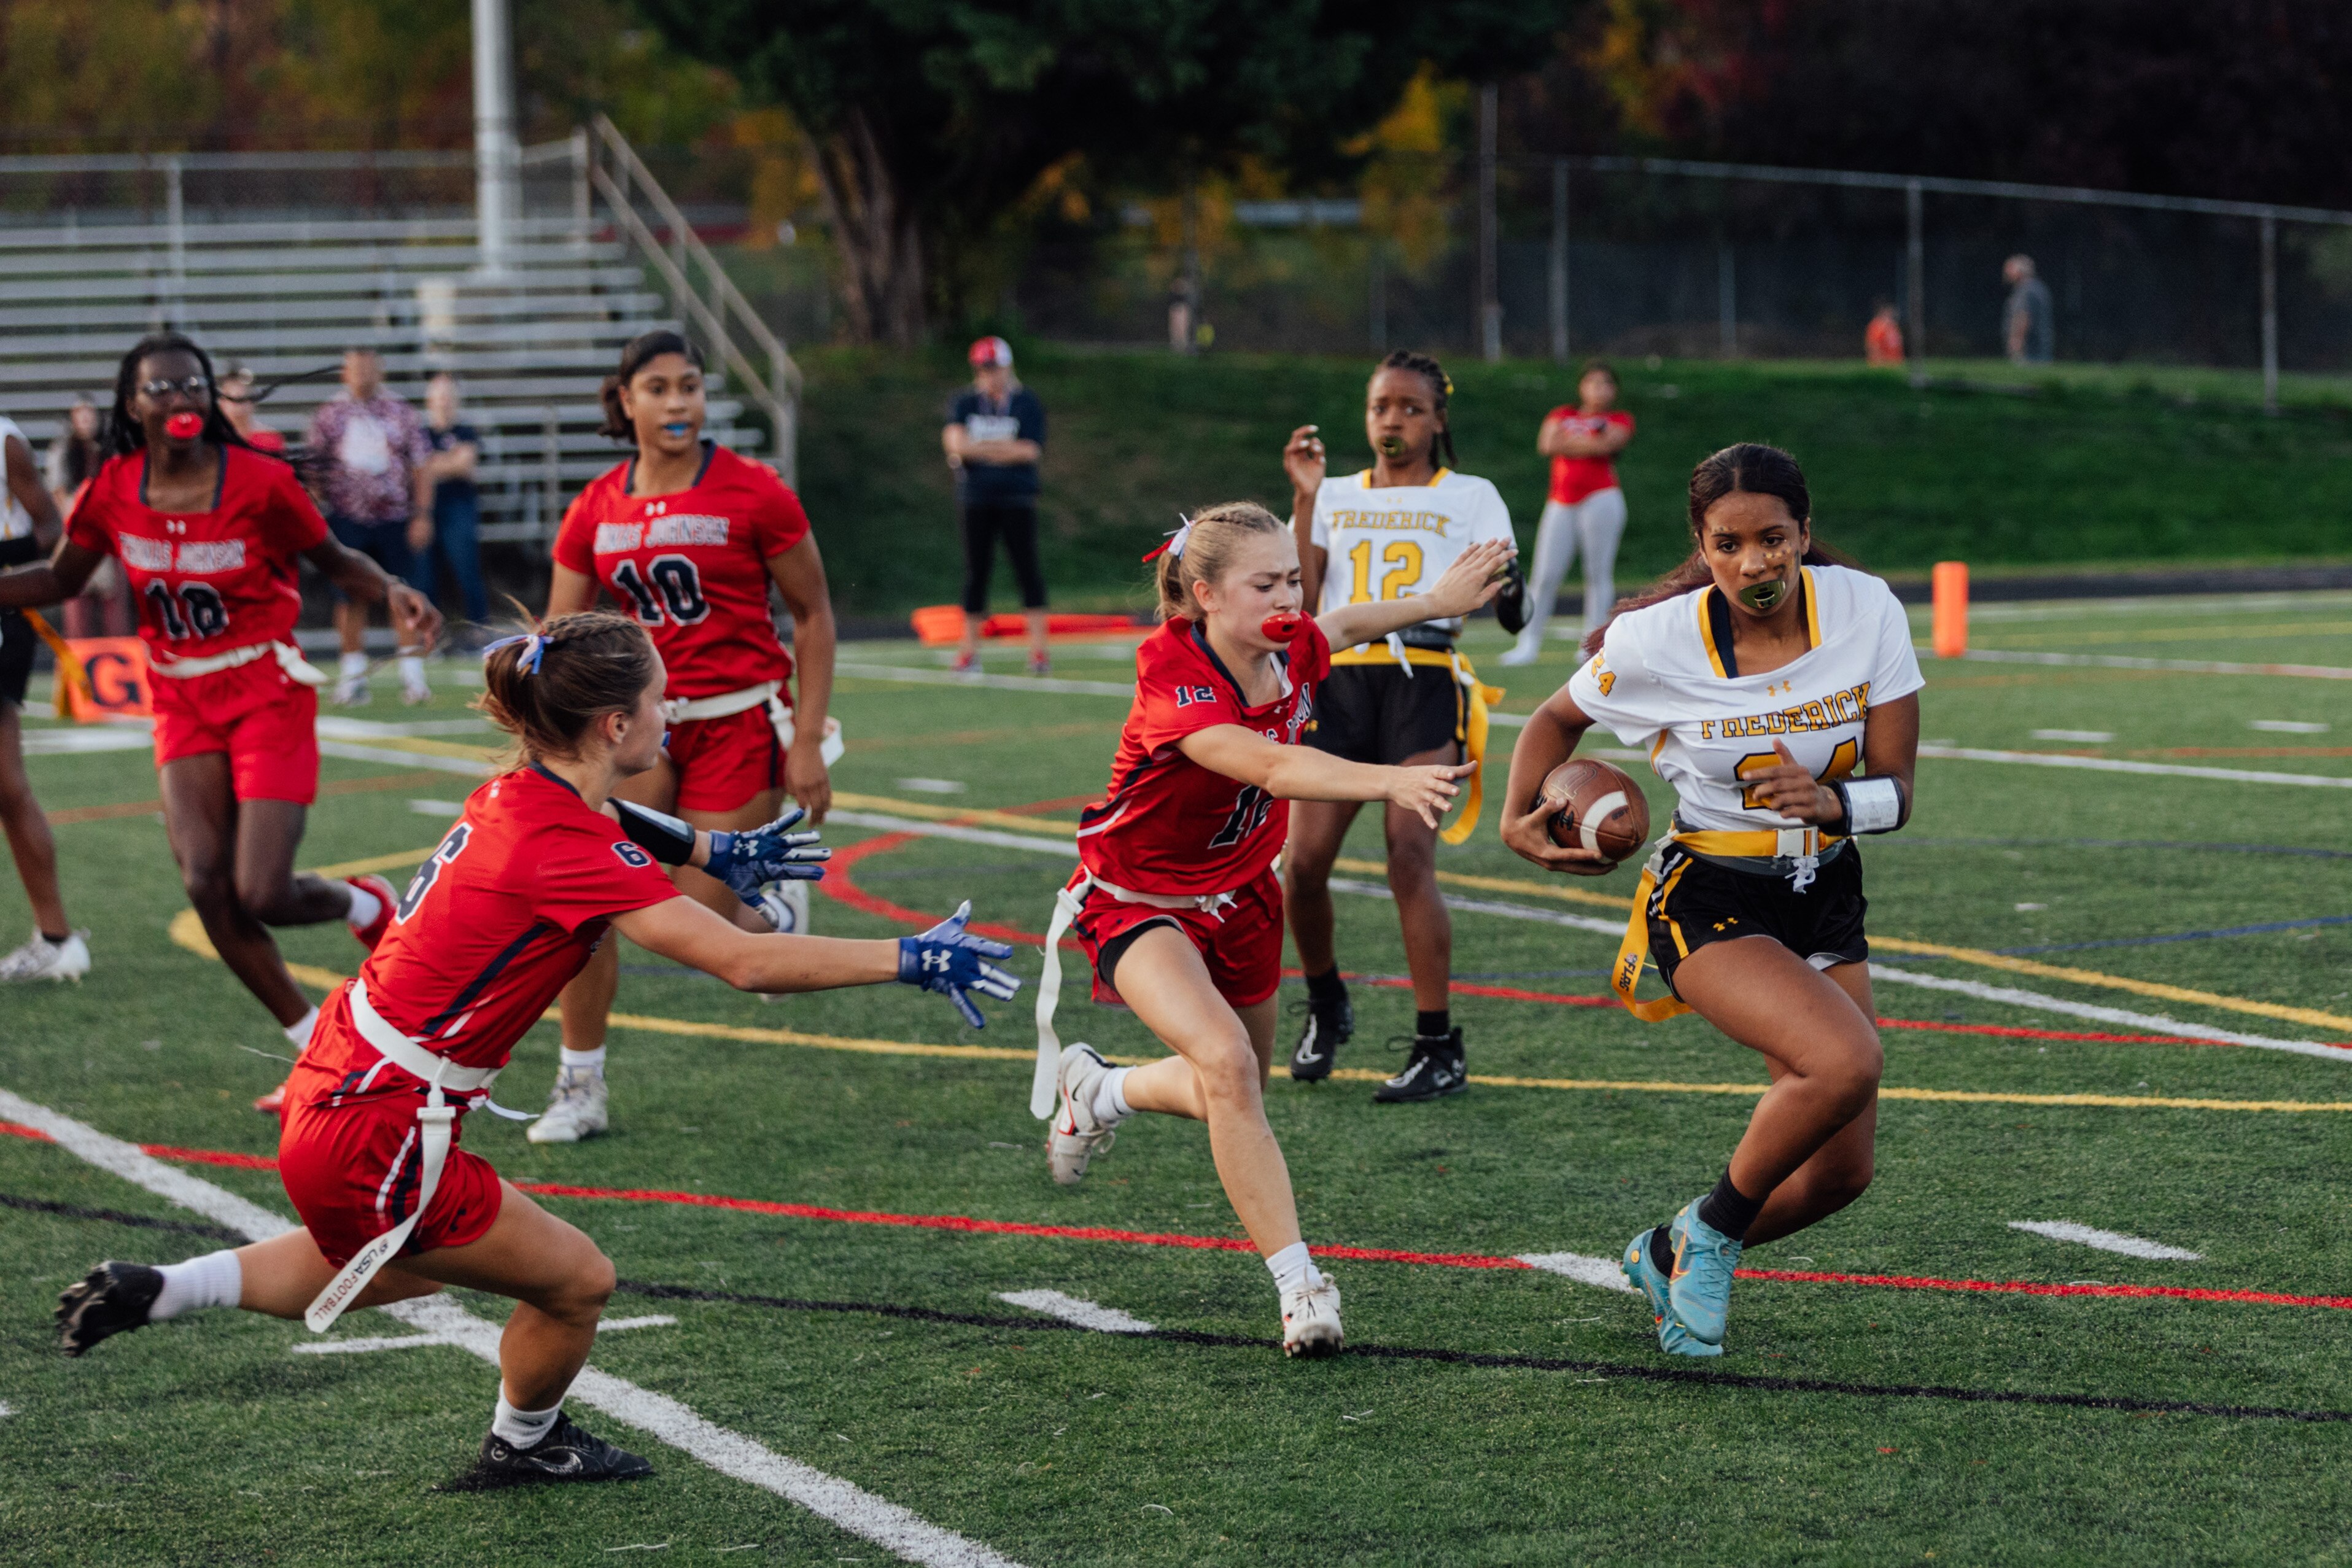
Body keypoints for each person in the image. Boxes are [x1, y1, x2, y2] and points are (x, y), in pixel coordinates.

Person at [52, 611, 1019, 1488]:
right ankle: (525, 1440)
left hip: (345, 1084)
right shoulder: (568, 847)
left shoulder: (516, 790)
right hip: (384, 1120)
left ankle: (167, 1287)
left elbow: (609, 817)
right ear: (612, 726)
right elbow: (742, 960)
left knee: (400, 1259)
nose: (668, 712)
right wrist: (908, 954)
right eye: (655, 699)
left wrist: (710, 850)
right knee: (576, 1280)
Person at [1035, 503, 1512, 1356]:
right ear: (1204, 594)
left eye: (1291, 576)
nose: (1288, 596)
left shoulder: (1289, 643)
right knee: (1224, 1063)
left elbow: (1343, 622)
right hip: (1139, 901)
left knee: (1237, 1079)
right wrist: (1386, 781)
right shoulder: (1170, 671)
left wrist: (1433, 598)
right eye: (1265, 583)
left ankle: (1099, 1090)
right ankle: (1301, 1286)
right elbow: (1267, 762)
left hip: (1243, 894)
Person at [1498, 442, 1921, 1358]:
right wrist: (1513, 818)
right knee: (1845, 1061)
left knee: (1840, 1174)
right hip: (1709, 891)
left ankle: (1666, 1248)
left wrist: (1832, 801)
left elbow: (1896, 793)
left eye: (1773, 539)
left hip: (1826, 887)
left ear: (1803, 535)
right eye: (1728, 544)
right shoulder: (1655, 639)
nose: (1753, 563)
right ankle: (1713, 1234)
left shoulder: (1866, 609)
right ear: (1702, 541)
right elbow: (1553, 718)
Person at [0, 333, 442, 1111]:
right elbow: (58, 577)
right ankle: (314, 1044)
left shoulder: (262, 482)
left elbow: (337, 562)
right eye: (162, 389)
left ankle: (364, 904)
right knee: (207, 883)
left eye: (193, 386)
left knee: (263, 890)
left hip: (265, 688)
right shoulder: (112, 485)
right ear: (132, 406)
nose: (181, 400)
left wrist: (397, 590)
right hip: (179, 697)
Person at [534, 330, 839, 1144]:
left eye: (691, 387)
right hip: (636, 730)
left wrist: (805, 737)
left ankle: (768, 911)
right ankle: (580, 1082)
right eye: (659, 389)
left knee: (689, 925)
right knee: (591, 907)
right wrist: (552, 739)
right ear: (625, 399)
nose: (678, 404)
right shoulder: (596, 505)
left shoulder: (754, 490)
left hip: (738, 721)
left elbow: (812, 613)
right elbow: (555, 636)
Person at [1276, 349, 1524, 1101]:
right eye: (1381, 405)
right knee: (1303, 865)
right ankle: (1326, 1002)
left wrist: (1512, 592)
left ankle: (1436, 1041)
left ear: (1438, 419)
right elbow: (1304, 604)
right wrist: (1307, 500)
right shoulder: (1336, 492)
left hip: (1423, 681)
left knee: (1408, 854)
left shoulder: (1472, 494)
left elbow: (1508, 596)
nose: (1393, 419)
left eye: (1411, 408)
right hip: (1340, 681)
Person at [0, 411, 87, 982]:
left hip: (3, 613)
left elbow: (53, 532)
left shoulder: (4, 439)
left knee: (7, 784)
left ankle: (57, 937)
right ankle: (57, 939)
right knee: (7, 787)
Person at [305, 347, 435, 706]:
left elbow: (422, 465)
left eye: (369, 367)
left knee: (403, 594)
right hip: (347, 517)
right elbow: (314, 467)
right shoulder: (330, 413)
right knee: (349, 598)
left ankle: (413, 677)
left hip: (393, 516)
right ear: (345, 373)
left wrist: (422, 513)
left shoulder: (401, 410)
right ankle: (353, 677)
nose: (363, 374)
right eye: (356, 368)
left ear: (380, 370)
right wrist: (318, 512)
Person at [1500, 359, 1634, 667]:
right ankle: (1528, 643)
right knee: (1545, 575)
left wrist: (1573, 443)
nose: (1599, 389)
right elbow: (1547, 443)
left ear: (1614, 390)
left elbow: (1606, 446)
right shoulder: (1562, 413)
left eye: (1606, 383)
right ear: (1581, 387)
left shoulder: (1620, 418)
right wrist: (1588, 442)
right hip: (1560, 501)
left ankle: (1591, 646)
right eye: (1593, 382)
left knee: (1597, 574)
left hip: (1601, 499)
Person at [941, 336, 1049, 677]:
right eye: (983, 369)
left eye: (995, 367)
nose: (989, 375)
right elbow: (956, 448)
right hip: (975, 499)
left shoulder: (1026, 402)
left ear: (1007, 367)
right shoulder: (964, 402)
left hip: (1017, 498)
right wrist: (1004, 450)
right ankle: (969, 652)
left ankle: (1039, 653)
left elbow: (1030, 451)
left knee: (1027, 570)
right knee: (976, 573)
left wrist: (980, 449)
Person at [411, 372, 490, 645]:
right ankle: (430, 632)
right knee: (424, 572)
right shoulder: (420, 433)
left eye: (448, 395)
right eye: (439, 395)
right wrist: (448, 464)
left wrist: (431, 466)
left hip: (459, 507)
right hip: (426, 508)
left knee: (465, 565)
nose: (444, 401)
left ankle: (479, 627)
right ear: (429, 399)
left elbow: (464, 465)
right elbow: (415, 470)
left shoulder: (464, 431)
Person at [45, 397, 130, 638]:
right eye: (79, 415)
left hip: (109, 530)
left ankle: (118, 657)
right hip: (76, 530)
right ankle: (80, 659)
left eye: (88, 414)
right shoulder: (63, 449)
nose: (85, 420)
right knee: (75, 599)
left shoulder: (111, 447)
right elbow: (57, 490)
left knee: (115, 604)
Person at [217, 365, 286, 454]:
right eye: (232, 398)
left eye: (243, 398)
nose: (238, 405)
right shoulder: (213, 441)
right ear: (222, 403)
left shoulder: (269, 439)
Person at [2003, 255, 2054, 365]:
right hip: (2041, 349)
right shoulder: (2039, 288)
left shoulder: (2026, 290)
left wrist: (2016, 344)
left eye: (2010, 268)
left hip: (2030, 351)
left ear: (2020, 271)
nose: (2006, 272)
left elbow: (2023, 317)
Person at [1865, 301, 1904, 367]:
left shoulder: (1893, 326)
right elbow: (1873, 347)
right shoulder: (1877, 326)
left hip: (1896, 364)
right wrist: (1878, 363)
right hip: (1884, 365)